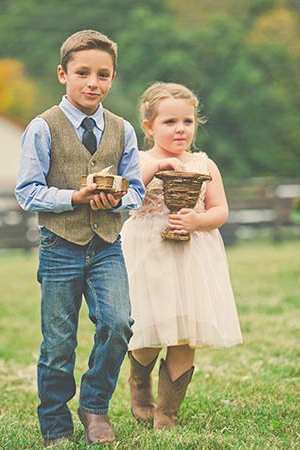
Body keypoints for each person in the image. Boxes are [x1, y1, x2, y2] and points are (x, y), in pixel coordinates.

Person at [15, 30, 145, 446]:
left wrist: (115, 200)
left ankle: (94, 406)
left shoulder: (122, 130)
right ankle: (55, 424)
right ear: (62, 74)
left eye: (103, 75)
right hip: (59, 248)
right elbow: (27, 191)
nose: (93, 82)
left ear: (112, 78)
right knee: (58, 344)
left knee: (118, 323)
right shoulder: (43, 127)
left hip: (108, 245)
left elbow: (138, 190)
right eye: (83, 73)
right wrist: (75, 196)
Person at [121, 82, 242, 430]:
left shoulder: (204, 164)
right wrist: (160, 168)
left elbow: (220, 211)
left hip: (192, 258)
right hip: (150, 257)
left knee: (186, 333)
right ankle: (139, 383)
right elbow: (130, 196)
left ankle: (167, 412)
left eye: (187, 122)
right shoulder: (141, 160)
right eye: (169, 122)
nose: (180, 129)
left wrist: (197, 220)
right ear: (149, 127)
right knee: (148, 331)